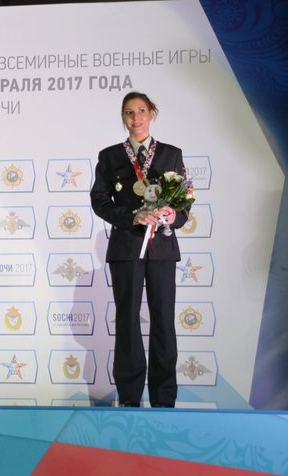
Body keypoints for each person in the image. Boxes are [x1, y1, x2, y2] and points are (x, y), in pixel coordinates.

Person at [90, 91, 188, 408]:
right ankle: (130, 398)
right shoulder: (110, 157)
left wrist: (176, 215)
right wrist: (132, 216)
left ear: (152, 113)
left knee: (163, 320)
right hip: (126, 248)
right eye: (129, 112)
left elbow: (184, 203)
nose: (136, 118)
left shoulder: (171, 154)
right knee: (128, 321)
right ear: (124, 118)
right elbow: (100, 201)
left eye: (142, 110)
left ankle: (164, 399)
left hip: (162, 247)